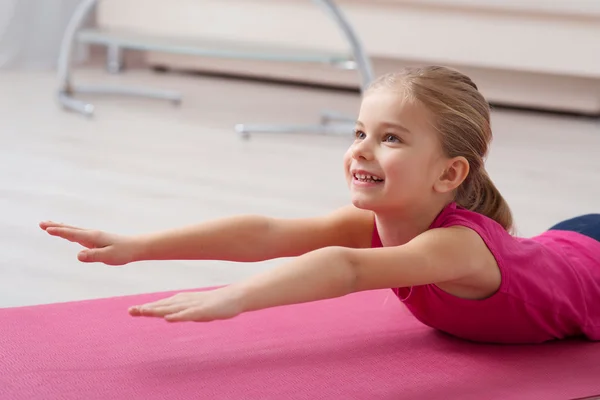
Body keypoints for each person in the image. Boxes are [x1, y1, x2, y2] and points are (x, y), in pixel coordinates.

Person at [40, 65, 600, 345]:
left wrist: (233, 299)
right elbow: (264, 233)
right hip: (565, 246)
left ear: (448, 173)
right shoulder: (372, 225)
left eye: (392, 138)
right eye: (361, 131)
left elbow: (347, 268)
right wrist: (140, 247)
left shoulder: (458, 247)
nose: (362, 148)